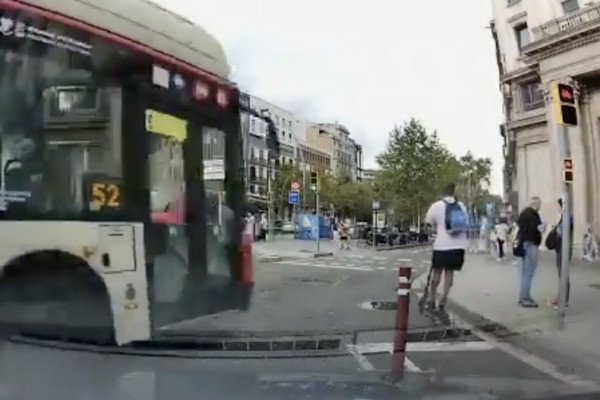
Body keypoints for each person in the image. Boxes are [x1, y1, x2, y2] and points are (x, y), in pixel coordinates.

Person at [424, 183, 468, 313]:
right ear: (454, 193)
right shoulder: (461, 206)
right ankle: (442, 301)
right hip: (458, 247)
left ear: (443, 193)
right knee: (450, 274)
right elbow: (465, 224)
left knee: (436, 275)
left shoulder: (436, 206)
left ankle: (431, 300)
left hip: (441, 246)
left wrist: (434, 232)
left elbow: (428, 224)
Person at [516, 196, 544, 308]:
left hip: (522, 245)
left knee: (524, 273)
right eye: (539, 205)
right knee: (529, 273)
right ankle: (525, 298)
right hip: (531, 245)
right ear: (536, 204)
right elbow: (536, 230)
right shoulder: (533, 215)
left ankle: (522, 296)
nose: (540, 208)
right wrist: (542, 228)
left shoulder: (522, 214)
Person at [550, 198, 572, 309]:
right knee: (561, 274)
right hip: (561, 249)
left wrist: (555, 230)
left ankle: (564, 301)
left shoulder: (567, 217)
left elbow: (563, 233)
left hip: (564, 249)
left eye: (560, 206)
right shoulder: (564, 217)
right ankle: (560, 298)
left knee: (563, 274)